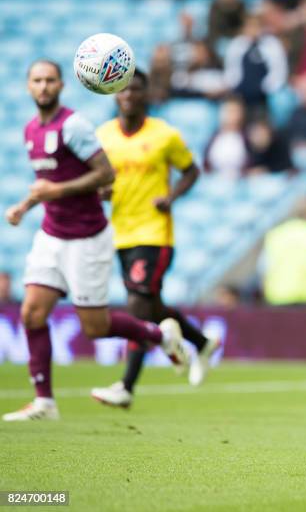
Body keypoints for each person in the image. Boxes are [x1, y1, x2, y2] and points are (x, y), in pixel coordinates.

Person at [2, 60, 188, 422]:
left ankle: (160, 335)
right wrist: (24, 206)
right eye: (37, 81)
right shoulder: (30, 131)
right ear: (27, 87)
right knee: (32, 312)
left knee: (96, 327)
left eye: (50, 80)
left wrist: (55, 190)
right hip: (51, 235)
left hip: (87, 237)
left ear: (61, 86)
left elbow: (106, 173)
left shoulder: (74, 126)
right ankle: (44, 401)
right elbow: (48, 182)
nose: (43, 87)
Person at [92, 70, 222, 409]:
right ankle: (202, 342)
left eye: (136, 89)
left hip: (154, 233)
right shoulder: (104, 136)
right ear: (115, 95)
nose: (129, 95)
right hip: (120, 233)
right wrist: (101, 192)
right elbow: (96, 182)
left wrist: (172, 197)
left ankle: (126, 387)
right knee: (151, 306)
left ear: (146, 94)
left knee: (137, 306)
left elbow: (191, 170)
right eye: (123, 90)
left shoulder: (164, 135)